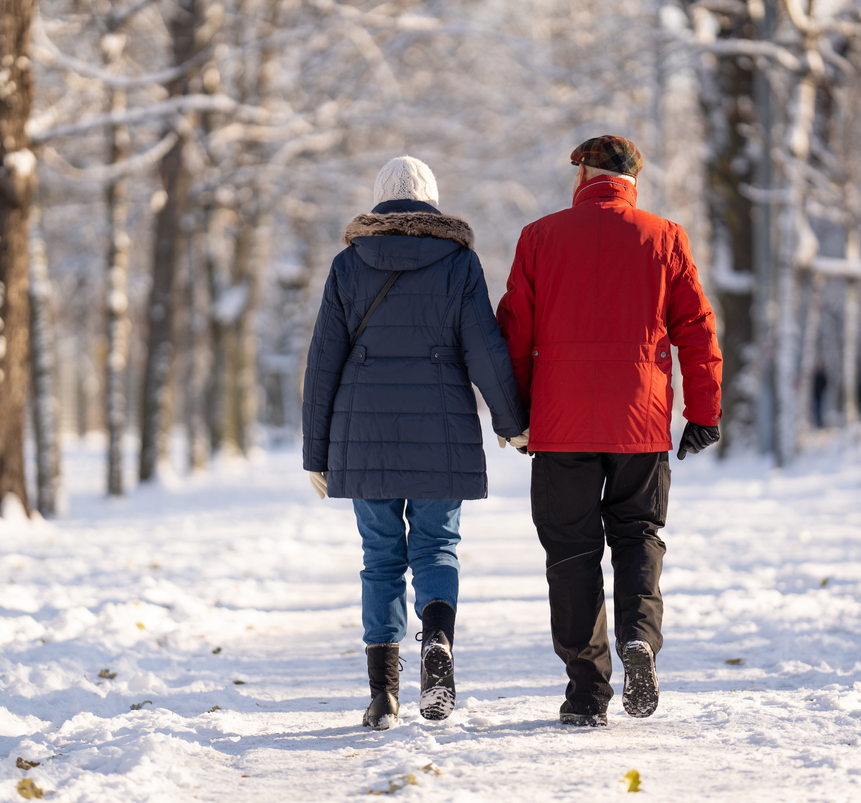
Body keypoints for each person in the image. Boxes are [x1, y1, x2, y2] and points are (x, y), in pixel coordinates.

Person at [496, 135, 723, 726]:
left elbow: (514, 333)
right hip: (640, 425)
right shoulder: (665, 236)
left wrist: (514, 415)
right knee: (639, 535)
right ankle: (639, 642)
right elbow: (696, 329)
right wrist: (704, 412)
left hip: (562, 424)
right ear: (632, 182)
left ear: (583, 176)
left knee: (571, 553)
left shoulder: (540, 238)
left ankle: (587, 691)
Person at [302, 156, 528, 730]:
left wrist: (316, 451)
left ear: (381, 201)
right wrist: (510, 421)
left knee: (380, 559)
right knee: (436, 547)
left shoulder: (349, 265)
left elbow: (324, 359)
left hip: (363, 431)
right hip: (441, 425)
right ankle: (439, 641)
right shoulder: (460, 263)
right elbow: (484, 347)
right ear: (431, 200)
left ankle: (383, 694)